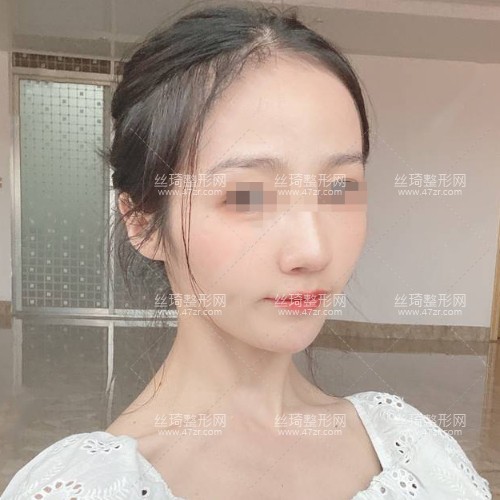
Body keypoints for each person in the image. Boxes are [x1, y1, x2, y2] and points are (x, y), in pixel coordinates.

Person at [2, 4, 492, 499]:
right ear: (143, 222)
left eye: (339, 188)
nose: (313, 249)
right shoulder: (90, 487)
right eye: (247, 197)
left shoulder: (411, 446)